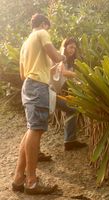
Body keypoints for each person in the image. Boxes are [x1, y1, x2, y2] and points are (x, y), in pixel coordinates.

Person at [12, 13, 66, 195]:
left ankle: (19, 178)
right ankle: (31, 182)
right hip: (38, 87)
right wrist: (62, 57)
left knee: (31, 130)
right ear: (43, 24)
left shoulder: (25, 44)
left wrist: (44, 67)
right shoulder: (41, 33)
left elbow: (22, 74)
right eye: (47, 27)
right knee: (35, 130)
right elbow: (56, 56)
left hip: (28, 85)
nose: (48, 30)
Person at [50, 38, 87, 151]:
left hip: (54, 93)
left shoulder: (69, 61)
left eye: (74, 48)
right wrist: (80, 75)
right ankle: (69, 141)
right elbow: (64, 73)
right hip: (48, 91)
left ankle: (70, 141)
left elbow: (67, 79)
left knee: (72, 109)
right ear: (64, 47)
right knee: (38, 124)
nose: (73, 50)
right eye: (70, 47)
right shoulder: (59, 58)